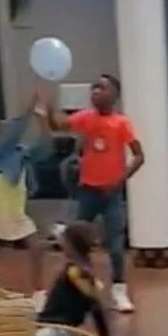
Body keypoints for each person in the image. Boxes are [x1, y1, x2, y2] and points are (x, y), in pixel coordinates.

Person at [63, 73, 144, 314]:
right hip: (88, 190)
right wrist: (45, 107)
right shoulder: (86, 118)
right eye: (94, 87)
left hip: (112, 194)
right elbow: (59, 125)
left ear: (114, 95)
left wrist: (121, 179)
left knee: (116, 245)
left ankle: (119, 291)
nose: (96, 91)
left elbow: (139, 156)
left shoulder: (121, 123)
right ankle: (79, 283)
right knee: (75, 239)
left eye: (102, 88)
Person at [0, 90, 53, 307]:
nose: (7, 124)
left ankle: (38, 292)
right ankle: (37, 291)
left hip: (11, 205)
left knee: (17, 246)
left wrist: (42, 119)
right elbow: (15, 130)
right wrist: (28, 109)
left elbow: (46, 148)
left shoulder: (22, 152)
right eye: (2, 124)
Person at [35, 221, 111, 336]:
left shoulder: (77, 273)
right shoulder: (76, 269)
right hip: (50, 324)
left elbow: (95, 306)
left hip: (62, 328)